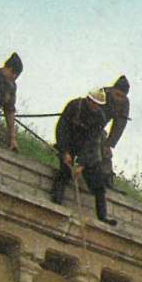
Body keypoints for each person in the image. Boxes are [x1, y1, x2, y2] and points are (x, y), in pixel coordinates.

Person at [51, 89, 116, 225]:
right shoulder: (74, 106)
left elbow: (92, 143)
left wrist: (82, 165)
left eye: (98, 104)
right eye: (94, 103)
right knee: (64, 172)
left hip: (87, 151)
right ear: (89, 100)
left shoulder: (100, 118)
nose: (95, 106)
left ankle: (102, 216)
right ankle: (56, 202)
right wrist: (64, 151)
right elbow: (62, 128)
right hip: (69, 144)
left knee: (98, 184)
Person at [99, 74, 130, 189]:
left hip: (101, 127)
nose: (119, 99)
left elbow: (119, 125)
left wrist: (110, 144)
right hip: (86, 123)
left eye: (122, 96)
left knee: (105, 151)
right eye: (117, 95)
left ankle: (107, 178)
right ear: (112, 90)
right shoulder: (102, 93)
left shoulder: (125, 103)